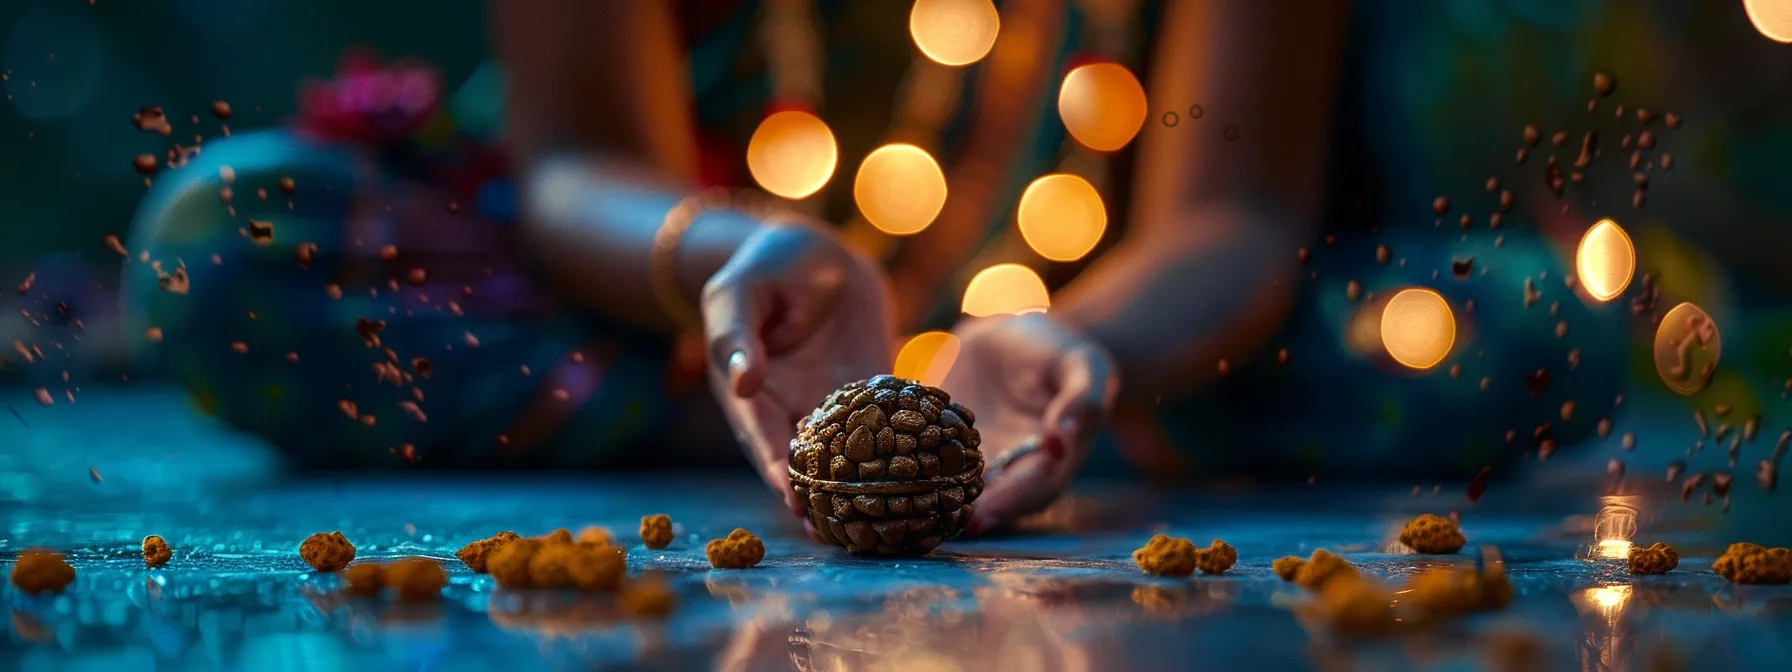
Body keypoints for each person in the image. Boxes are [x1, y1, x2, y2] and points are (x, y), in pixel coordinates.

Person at [123, 0, 1628, 534]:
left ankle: (1031, 424)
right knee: (227, 241)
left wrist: (1077, 342)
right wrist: (729, 256)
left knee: (1532, 329)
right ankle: (760, 408)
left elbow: (1233, 213)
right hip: (666, 306)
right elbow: (572, 162)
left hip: (1121, 328)